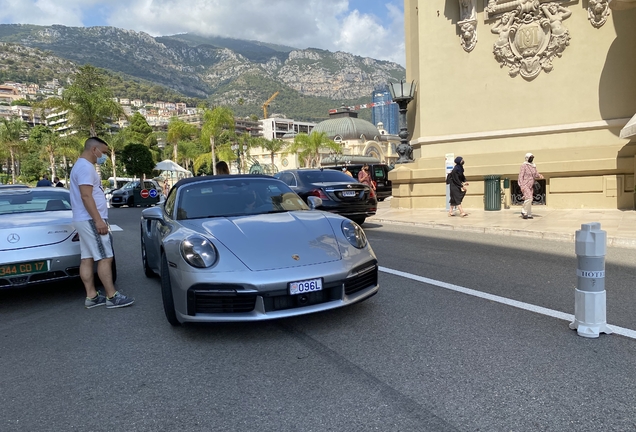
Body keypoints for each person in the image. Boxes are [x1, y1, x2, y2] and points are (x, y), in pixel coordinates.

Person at [70, 137, 134, 309]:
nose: (104, 156)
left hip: (84, 218)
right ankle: (112, 296)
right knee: (106, 257)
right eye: (103, 153)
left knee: (87, 258)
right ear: (94, 150)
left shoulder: (80, 166)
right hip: (91, 219)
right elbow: (86, 196)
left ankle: (91, 296)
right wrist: (98, 220)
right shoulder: (85, 167)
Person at [518, 152, 543, 220]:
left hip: (531, 185)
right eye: (530, 158)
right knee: (529, 198)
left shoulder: (533, 166)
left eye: (532, 158)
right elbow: (521, 176)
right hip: (525, 184)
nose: (531, 159)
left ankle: (528, 213)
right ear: (527, 158)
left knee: (529, 199)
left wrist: (539, 175)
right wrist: (521, 185)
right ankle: (523, 211)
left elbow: (535, 174)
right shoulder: (524, 165)